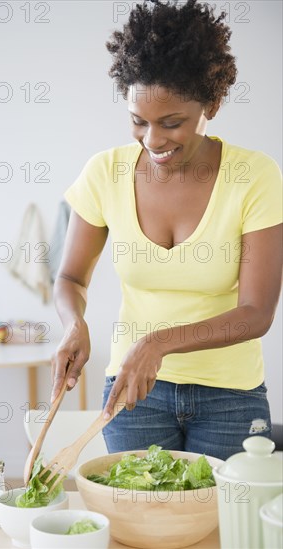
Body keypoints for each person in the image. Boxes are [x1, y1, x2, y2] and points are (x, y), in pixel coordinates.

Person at [50, 0, 282, 460]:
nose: (153, 140)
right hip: (135, 394)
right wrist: (74, 323)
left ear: (212, 104)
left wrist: (157, 343)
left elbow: (256, 312)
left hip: (229, 395)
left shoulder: (254, 176)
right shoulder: (105, 172)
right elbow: (70, 279)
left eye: (171, 123)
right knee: (137, 521)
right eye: (139, 121)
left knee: (219, 523)